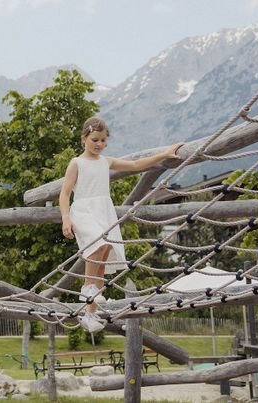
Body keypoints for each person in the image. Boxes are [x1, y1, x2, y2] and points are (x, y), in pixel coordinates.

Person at [59, 116, 183, 333]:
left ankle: (92, 309)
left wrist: (164, 154)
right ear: (84, 139)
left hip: (103, 211)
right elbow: (65, 192)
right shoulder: (76, 163)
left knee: (106, 250)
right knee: (96, 246)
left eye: (103, 141)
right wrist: (66, 218)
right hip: (84, 211)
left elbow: (136, 165)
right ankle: (87, 293)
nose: (99, 144)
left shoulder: (105, 162)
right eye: (94, 140)